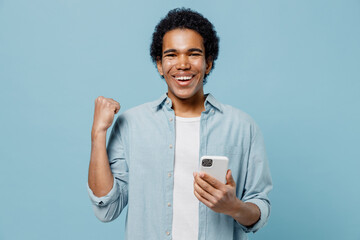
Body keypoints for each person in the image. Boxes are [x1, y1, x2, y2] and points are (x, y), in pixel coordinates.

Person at [87, 8, 272, 240]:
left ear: (209, 63)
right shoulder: (131, 125)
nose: (182, 64)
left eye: (193, 54)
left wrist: (233, 207)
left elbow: (259, 208)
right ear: (159, 64)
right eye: (171, 55)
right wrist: (98, 133)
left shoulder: (243, 127)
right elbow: (106, 209)